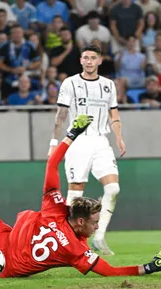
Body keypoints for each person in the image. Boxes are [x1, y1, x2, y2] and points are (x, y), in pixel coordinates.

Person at [0, 115, 161, 278]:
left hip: (2, 236)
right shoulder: (75, 250)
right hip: (8, 267)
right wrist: (150, 267)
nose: (97, 226)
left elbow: (52, 164)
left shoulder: (56, 207)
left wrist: (72, 133)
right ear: (80, 221)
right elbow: (110, 272)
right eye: (95, 222)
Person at [48, 44, 126, 256]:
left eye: (93, 57)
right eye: (86, 58)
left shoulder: (108, 85)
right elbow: (61, 115)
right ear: (81, 60)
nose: (89, 61)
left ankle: (99, 238)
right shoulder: (70, 83)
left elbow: (114, 114)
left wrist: (119, 138)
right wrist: (54, 144)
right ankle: (68, 241)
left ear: (100, 61)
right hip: (78, 141)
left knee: (113, 189)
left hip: (101, 141)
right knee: (75, 194)